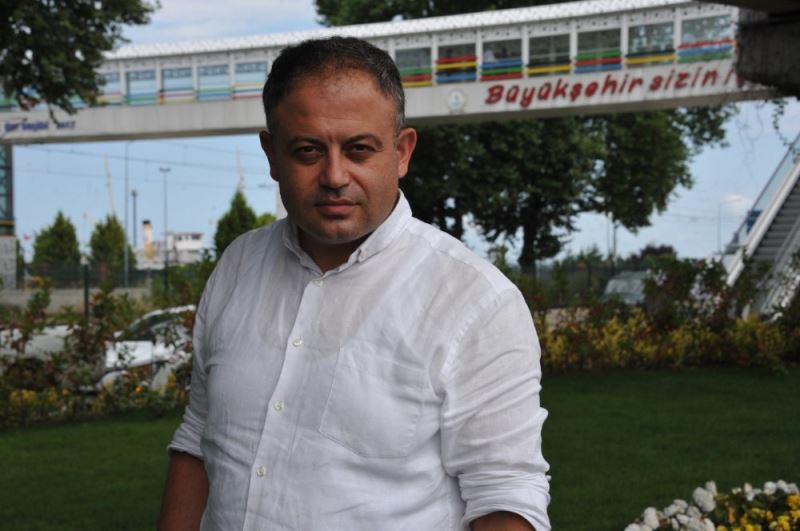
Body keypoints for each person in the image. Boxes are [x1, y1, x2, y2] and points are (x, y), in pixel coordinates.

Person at [158, 36, 550, 531]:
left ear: (402, 152)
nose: (334, 176)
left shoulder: (475, 302)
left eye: (359, 149)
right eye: (308, 151)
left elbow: (505, 495)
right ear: (271, 154)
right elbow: (199, 436)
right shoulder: (238, 265)